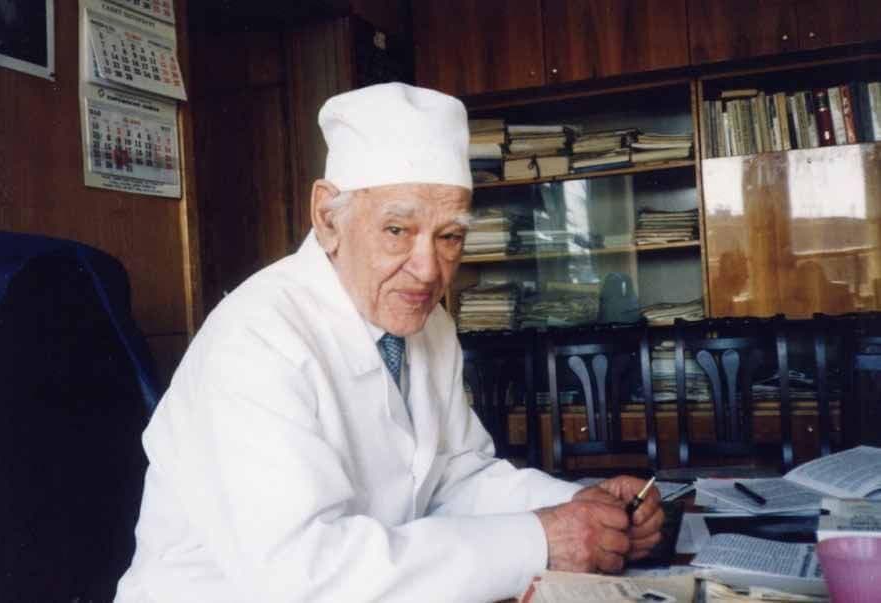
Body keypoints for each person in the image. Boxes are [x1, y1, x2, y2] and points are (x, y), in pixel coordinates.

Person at [115, 83, 664, 603]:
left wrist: (581, 508)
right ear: (328, 218)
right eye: (397, 231)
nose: (428, 270)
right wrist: (542, 540)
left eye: (450, 236)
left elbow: (457, 479)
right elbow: (305, 577)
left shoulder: (427, 323)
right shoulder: (254, 340)